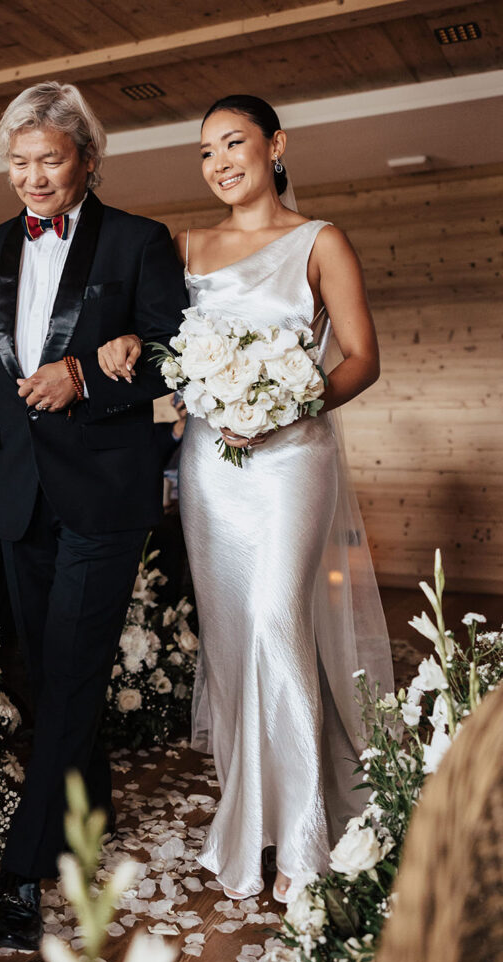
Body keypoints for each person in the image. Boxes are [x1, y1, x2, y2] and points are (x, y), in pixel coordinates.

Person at [100, 95, 393, 902]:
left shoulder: (319, 240)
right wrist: (129, 341)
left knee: (275, 618)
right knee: (231, 640)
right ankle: (250, 815)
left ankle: (303, 838)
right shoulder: (184, 246)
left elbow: (363, 357)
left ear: (275, 145)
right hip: (208, 468)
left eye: (234, 142)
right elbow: (160, 344)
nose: (220, 161)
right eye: (205, 152)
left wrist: (286, 404)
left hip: (294, 455)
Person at [0, 81, 187, 951]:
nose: (32, 177)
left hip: (105, 493)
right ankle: (96, 802)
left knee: (73, 671)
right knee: (49, 672)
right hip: (14, 493)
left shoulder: (140, 241)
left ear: (86, 158)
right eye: (18, 162)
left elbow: (174, 358)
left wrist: (85, 372)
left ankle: (21, 874)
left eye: (49, 159)